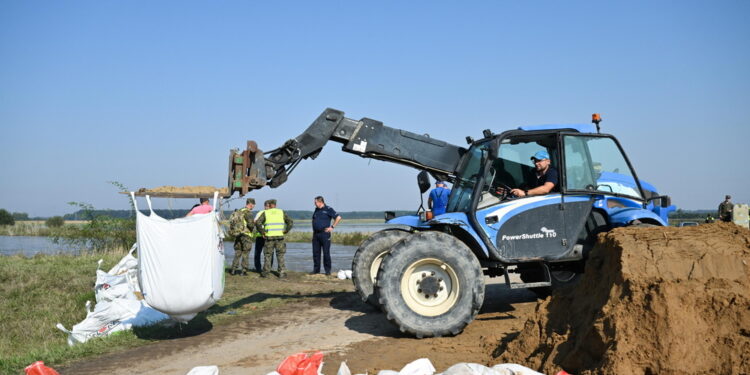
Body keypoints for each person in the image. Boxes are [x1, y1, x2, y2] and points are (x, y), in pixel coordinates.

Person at [255, 199, 294, 278]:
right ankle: (282, 272)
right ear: (275, 205)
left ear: (269, 205)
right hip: (280, 237)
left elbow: (258, 223)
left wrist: (262, 232)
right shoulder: (281, 212)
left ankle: (266, 272)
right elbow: (290, 222)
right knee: (280, 255)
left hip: (269, 237)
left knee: (268, 255)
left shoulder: (266, 212)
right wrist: (286, 230)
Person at [311, 196, 342, 275]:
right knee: (316, 253)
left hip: (325, 234)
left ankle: (327, 271)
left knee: (326, 253)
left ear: (320, 202)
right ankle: (316, 270)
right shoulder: (316, 210)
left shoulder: (328, 209)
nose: (314, 204)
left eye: (315, 202)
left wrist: (332, 227)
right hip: (316, 234)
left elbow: (338, 217)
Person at [228, 198, 255, 275]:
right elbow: (250, 224)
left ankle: (233, 270)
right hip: (246, 235)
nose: (253, 206)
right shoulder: (248, 212)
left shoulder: (239, 211)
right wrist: (253, 225)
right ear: (251, 204)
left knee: (238, 252)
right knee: (245, 253)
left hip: (237, 234)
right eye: (253, 205)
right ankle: (244, 271)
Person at [253, 201, 270, 272]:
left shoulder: (268, 213)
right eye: (268, 206)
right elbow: (255, 222)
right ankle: (259, 268)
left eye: (269, 206)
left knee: (268, 253)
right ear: (265, 206)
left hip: (267, 236)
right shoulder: (260, 213)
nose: (269, 208)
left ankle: (267, 268)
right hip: (260, 236)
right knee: (258, 253)